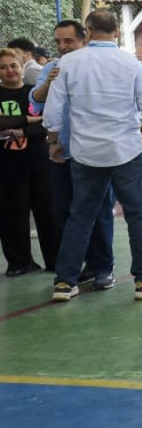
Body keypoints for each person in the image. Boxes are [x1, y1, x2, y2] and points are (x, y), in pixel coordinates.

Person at [42, 8, 142, 302]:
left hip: (85, 153)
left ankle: (65, 282)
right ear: (117, 32)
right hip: (126, 150)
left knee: (80, 216)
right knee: (138, 216)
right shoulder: (133, 64)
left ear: (87, 31)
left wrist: (53, 140)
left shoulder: (67, 64)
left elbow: (53, 108)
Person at [28, 19, 115, 290]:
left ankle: (102, 268)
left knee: (99, 210)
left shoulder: (100, 67)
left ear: (84, 39)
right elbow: (35, 102)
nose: (63, 46)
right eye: (58, 41)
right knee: (66, 211)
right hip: (61, 152)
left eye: (68, 41)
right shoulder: (53, 68)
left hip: (94, 152)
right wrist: (52, 81)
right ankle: (74, 267)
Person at [0, 48, 59, 276]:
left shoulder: (33, 93)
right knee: (12, 213)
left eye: (13, 65)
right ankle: (19, 262)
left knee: (47, 210)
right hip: (7, 166)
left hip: (38, 161)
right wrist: (23, 123)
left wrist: (22, 131)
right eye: (3, 67)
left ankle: (54, 260)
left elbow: (45, 121)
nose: (9, 71)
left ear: (21, 67)